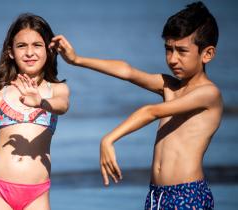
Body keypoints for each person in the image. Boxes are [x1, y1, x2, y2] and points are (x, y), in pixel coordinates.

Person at [50, 1, 221, 209]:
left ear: (207, 54)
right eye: (168, 49)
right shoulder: (171, 86)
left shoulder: (208, 94)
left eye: (181, 51)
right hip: (156, 195)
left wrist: (109, 139)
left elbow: (151, 112)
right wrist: (77, 60)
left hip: (188, 194)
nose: (173, 59)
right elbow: (127, 71)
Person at [0, 13, 69, 210]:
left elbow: (62, 106)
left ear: (49, 50)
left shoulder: (56, 89)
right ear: (10, 52)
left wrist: (40, 102)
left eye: (37, 45)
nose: (29, 52)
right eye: (21, 46)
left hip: (37, 192)